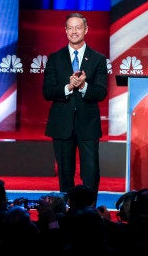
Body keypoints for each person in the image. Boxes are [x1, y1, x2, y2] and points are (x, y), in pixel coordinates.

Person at [43, 12, 109, 201]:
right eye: (70, 28)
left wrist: (83, 86)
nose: (74, 31)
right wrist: (69, 87)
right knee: (65, 174)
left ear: (86, 30)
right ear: (65, 31)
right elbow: (47, 92)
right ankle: (67, 212)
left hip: (87, 125)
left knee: (90, 173)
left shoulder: (97, 59)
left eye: (78, 27)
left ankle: (89, 212)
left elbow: (101, 92)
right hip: (61, 125)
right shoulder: (55, 58)